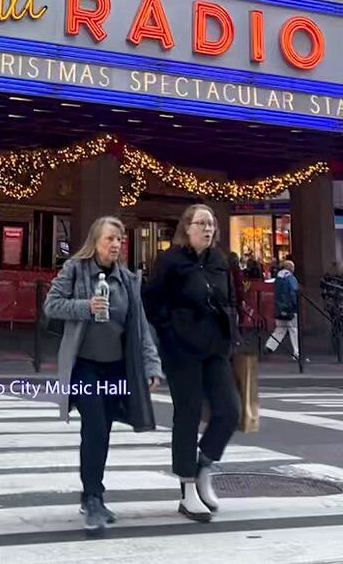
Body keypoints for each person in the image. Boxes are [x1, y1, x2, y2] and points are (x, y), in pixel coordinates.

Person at [44, 215, 162, 534]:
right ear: (95, 240)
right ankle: (94, 498)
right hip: (84, 364)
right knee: (94, 423)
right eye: (110, 238)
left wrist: (152, 366)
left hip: (115, 367)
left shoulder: (127, 280)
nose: (115, 244)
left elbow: (139, 327)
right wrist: (85, 307)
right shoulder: (75, 269)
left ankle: (91, 492)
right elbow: (51, 305)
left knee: (103, 429)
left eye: (120, 239)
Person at [143, 203, 240, 524]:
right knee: (188, 414)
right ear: (187, 227)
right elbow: (152, 301)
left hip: (216, 347)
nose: (208, 229)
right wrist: (170, 333)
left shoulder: (219, 260)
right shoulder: (170, 260)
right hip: (182, 350)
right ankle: (187, 489)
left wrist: (231, 335)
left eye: (211, 224)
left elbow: (230, 299)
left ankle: (203, 465)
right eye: (201, 223)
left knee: (229, 412)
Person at [265, 258, 300, 360]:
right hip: (290, 309)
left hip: (279, 308)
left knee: (280, 328)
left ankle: (270, 346)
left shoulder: (278, 279)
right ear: (291, 269)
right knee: (294, 330)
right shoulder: (291, 279)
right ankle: (297, 352)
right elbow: (294, 293)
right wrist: (295, 306)